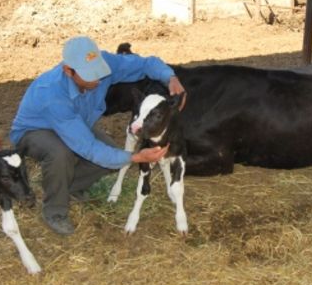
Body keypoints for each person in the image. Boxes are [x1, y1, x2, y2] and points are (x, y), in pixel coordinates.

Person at [10, 36, 186, 235]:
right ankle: (55, 211)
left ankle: (70, 185)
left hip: (76, 122)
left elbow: (146, 63)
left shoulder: (105, 64)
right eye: (88, 75)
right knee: (61, 153)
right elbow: (88, 147)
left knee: (109, 155)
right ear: (68, 71)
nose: (96, 78)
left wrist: (170, 77)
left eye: (98, 71)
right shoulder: (52, 94)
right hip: (35, 130)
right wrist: (135, 157)